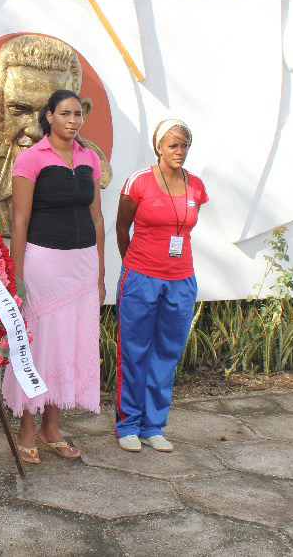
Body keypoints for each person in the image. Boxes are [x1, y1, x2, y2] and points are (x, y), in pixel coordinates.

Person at [1, 89, 105, 463]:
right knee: (40, 346)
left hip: (82, 265)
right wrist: (15, 276)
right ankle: (27, 429)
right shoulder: (31, 159)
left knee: (71, 346)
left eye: (78, 114)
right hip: (43, 264)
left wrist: (101, 272)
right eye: (65, 113)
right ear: (49, 116)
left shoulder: (89, 158)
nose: (73, 120)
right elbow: (19, 221)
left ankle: (51, 428)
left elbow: (97, 218)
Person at [0, 34, 112, 235]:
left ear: (81, 111)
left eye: (51, 112)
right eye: (19, 109)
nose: (35, 130)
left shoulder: (92, 165)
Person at [114, 119, 207, 453]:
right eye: (173, 145)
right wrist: (133, 265)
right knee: (134, 350)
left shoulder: (196, 186)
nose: (179, 152)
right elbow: (121, 227)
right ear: (158, 147)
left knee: (167, 353)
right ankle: (127, 425)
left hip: (181, 280)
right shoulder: (138, 182)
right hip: (141, 279)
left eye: (184, 146)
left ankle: (153, 426)